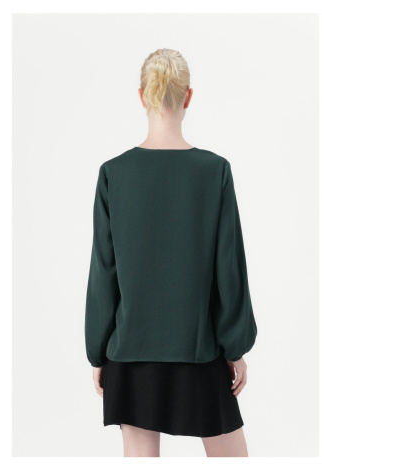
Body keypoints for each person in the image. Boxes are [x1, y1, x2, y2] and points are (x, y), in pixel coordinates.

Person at [85, 48, 257, 457]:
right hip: (199, 352)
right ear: (188, 96)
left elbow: (104, 272)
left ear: (141, 96)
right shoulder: (214, 171)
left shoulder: (114, 174)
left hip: (129, 355)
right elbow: (229, 268)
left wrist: (98, 351)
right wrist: (235, 347)